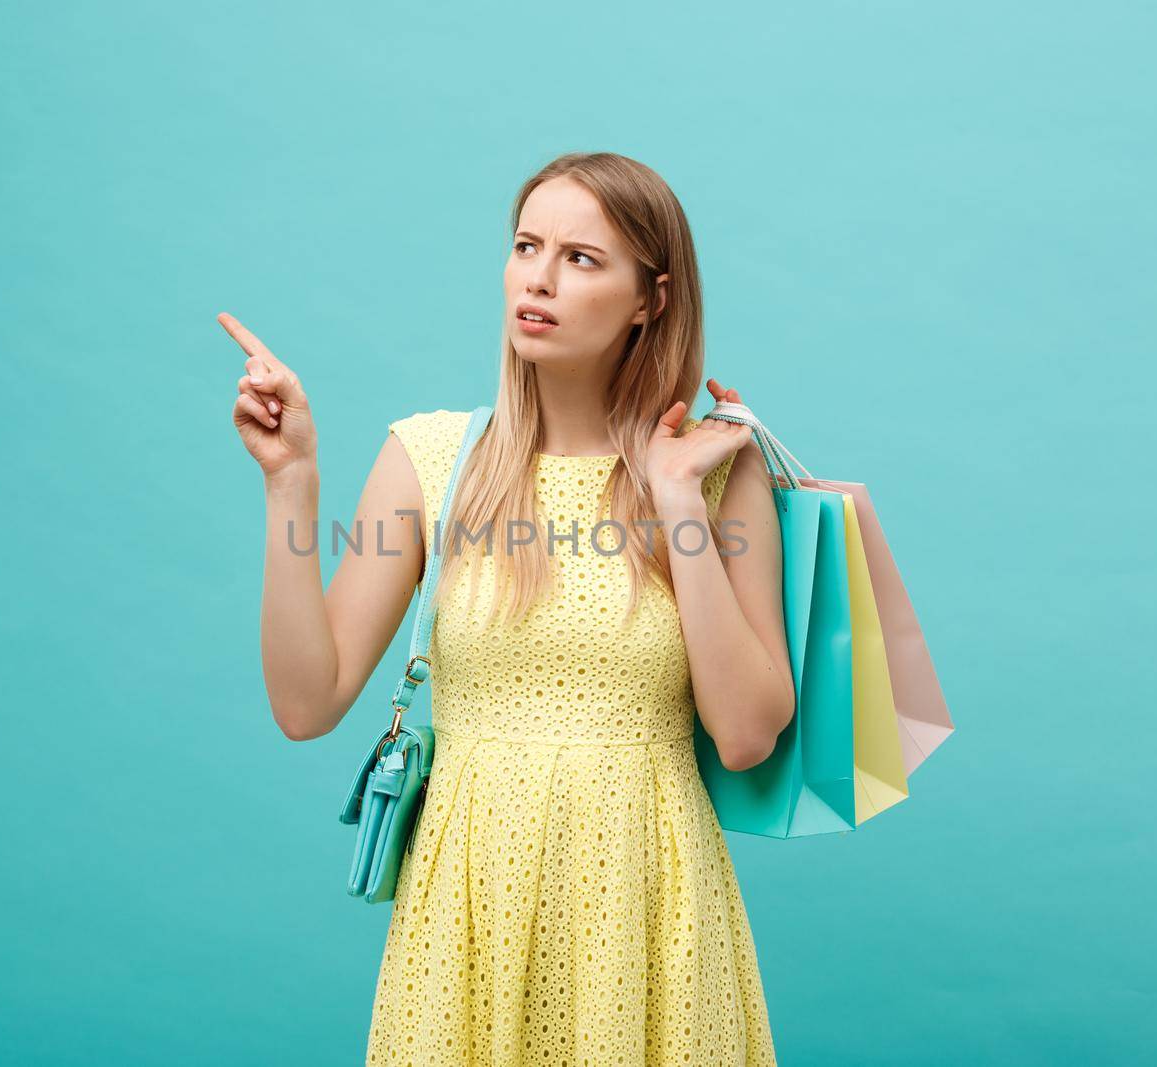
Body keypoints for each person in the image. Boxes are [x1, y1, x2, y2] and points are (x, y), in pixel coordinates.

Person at [222, 150, 793, 1065]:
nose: (538, 276)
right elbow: (306, 702)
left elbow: (745, 734)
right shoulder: (431, 458)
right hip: (468, 913)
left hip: (646, 915)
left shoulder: (720, 472)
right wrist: (292, 482)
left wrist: (678, 500)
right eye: (528, 245)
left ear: (651, 297)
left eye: (581, 257)